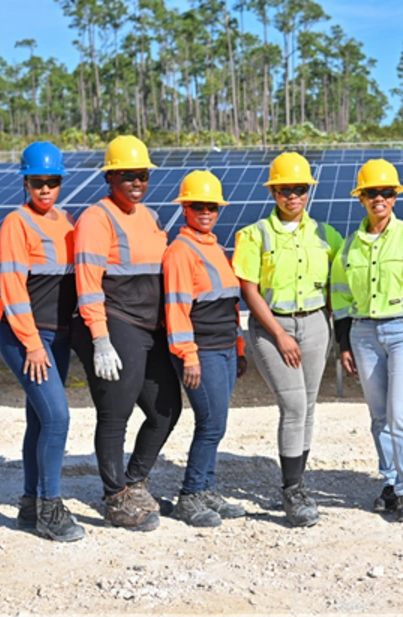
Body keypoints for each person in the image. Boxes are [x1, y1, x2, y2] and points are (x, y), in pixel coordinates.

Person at [72, 135, 182, 532]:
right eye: (128, 175)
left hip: (149, 327)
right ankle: (115, 497)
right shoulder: (95, 219)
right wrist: (100, 338)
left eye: (143, 175)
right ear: (110, 177)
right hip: (116, 324)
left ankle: (135, 483)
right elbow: (87, 282)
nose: (137, 182)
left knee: (166, 409)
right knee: (115, 414)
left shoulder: (149, 216)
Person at [232, 152, 343, 528]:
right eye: (284, 190)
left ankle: (299, 483)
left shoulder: (327, 235)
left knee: (309, 405)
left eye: (299, 189)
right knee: (294, 406)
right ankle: (292, 490)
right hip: (271, 327)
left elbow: (336, 287)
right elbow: (249, 289)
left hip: (315, 325)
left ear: (308, 191)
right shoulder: (254, 234)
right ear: (273, 192)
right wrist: (279, 334)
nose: (292, 196)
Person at [331, 159, 403, 523]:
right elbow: (341, 299)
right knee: (378, 415)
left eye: (386, 192)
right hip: (363, 334)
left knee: (400, 412)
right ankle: (391, 482)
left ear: (395, 197)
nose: (378, 198)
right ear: (361, 198)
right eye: (371, 193)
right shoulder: (349, 247)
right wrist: (344, 344)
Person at [0, 141, 84, 542]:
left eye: (52, 182)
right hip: (22, 332)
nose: (44, 189)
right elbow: (12, 287)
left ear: (60, 182)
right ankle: (50, 509)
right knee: (58, 418)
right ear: (25, 183)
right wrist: (31, 343)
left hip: (57, 334)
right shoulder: (17, 222)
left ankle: (30, 505)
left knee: (40, 418)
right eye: (36, 182)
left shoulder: (67, 223)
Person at [163, 170, 248, 527]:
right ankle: (191, 494)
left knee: (218, 423)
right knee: (211, 423)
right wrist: (189, 356)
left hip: (226, 348)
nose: (205, 212)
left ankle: (208, 488)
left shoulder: (214, 247)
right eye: (198, 206)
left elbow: (228, 304)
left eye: (211, 206)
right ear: (185, 208)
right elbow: (177, 308)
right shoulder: (180, 252)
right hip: (202, 352)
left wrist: (240, 346)